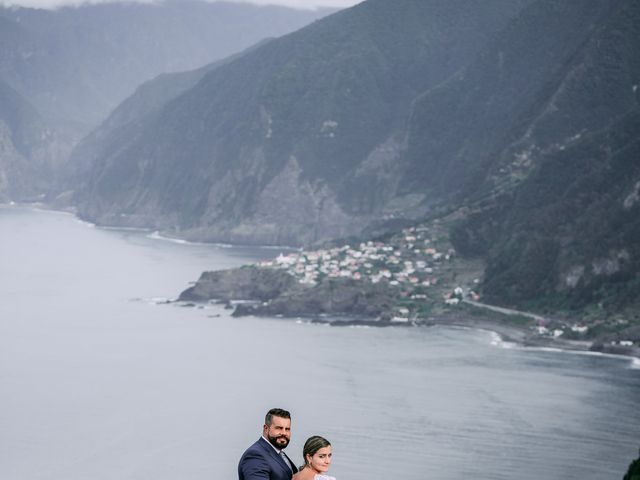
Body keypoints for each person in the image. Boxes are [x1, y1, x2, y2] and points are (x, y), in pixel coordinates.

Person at [238, 408, 298, 480]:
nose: (284, 433)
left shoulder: (279, 453)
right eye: (279, 428)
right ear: (266, 428)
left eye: (287, 429)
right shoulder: (255, 455)